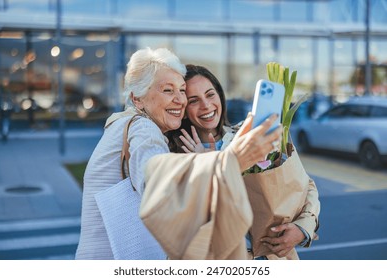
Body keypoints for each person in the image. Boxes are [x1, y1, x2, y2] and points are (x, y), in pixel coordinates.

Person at [75, 48, 282, 260]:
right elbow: (158, 183)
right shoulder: (142, 128)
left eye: (182, 90)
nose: (180, 100)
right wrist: (230, 160)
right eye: (167, 90)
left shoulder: (121, 124)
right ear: (137, 99)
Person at [166, 64, 320, 260]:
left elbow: (306, 186)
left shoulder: (251, 135)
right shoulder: (175, 157)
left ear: (220, 96)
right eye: (193, 100)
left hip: (277, 257)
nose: (206, 105)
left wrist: (303, 228)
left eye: (210, 94)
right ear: (184, 109)